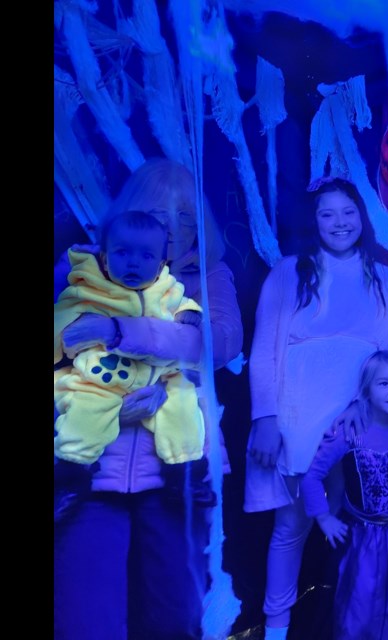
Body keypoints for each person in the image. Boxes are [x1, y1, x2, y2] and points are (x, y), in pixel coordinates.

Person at [53, 157, 244, 640]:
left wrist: (120, 331)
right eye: (163, 217)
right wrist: (116, 408)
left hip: (178, 474)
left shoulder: (209, 275)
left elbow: (217, 344)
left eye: (187, 218)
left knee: (174, 619)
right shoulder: (82, 274)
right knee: (88, 617)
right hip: (95, 474)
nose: (176, 229)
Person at [244, 176, 388, 640]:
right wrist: (264, 419)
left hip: (361, 421)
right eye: (327, 213)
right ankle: (277, 631)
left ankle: (351, 625)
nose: (340, 222)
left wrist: (368, 409)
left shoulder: (384, 278)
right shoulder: (288, 272)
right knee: (292, 527)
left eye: (348, 211)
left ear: (363, 216)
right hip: (298, 418)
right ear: (312, 220)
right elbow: (263, 353)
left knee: (355, 526)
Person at [54, 210, 205, 508]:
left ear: (161, 264)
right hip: (101, 377)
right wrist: (71, 327)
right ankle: (71, 475)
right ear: (106, 258)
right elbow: (64, 316)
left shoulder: (167, 289)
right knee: (86, 412)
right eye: (123, 253)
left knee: (183, 406)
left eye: (146, 256)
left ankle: (184, 473)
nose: (134, 262)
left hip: (160, 376)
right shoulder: (88, 287)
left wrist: (191, 314)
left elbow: (184, 311)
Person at [302, 350, 388, 639]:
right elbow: (312, 476)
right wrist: (324, 518)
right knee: (362, 605)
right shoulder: (350, 432)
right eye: (384, 384)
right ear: (366, 390)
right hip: (362, 539)